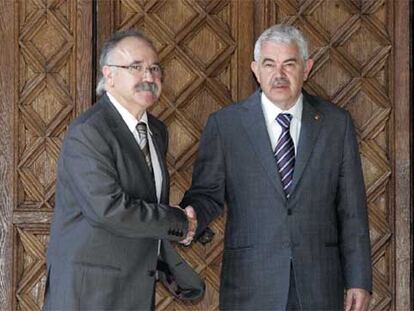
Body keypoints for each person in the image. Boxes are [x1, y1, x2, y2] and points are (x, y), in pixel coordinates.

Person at [181, 24, 372, 310]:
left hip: (319, 285)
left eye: (289, 64)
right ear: (255, 70)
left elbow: (352, 210)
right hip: (251, 285)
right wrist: (191, 216)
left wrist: (359, 279)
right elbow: (207, 194)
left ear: (306, 68)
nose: (279, 75)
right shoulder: (225, 125)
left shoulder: (336, 124)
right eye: (269, 64)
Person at [43, 30, 204, 310]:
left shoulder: (156, 130)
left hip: (136, 289)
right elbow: (109, 210)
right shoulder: (89, 131)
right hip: (90, 295)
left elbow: (147, 201)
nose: (149, 76)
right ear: (109, 75)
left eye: (154, 68)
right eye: (136, 67)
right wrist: (177, 222)